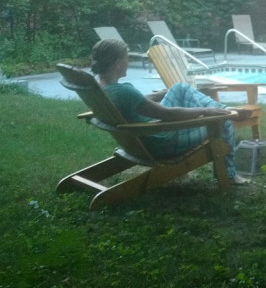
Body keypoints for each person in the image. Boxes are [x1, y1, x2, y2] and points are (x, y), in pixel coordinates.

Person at [90, 38, 250, 185]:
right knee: (225, 120)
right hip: (162, 141)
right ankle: (229, 175)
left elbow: (138, 101)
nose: (128, 61)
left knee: (179, 88)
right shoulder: (123, 92)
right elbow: (167, 114)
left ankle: (224, 109)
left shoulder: (102, 91)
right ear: (117, 62)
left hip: (142, 141)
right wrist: (206, 111)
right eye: (126, 57)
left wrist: (162, 93)